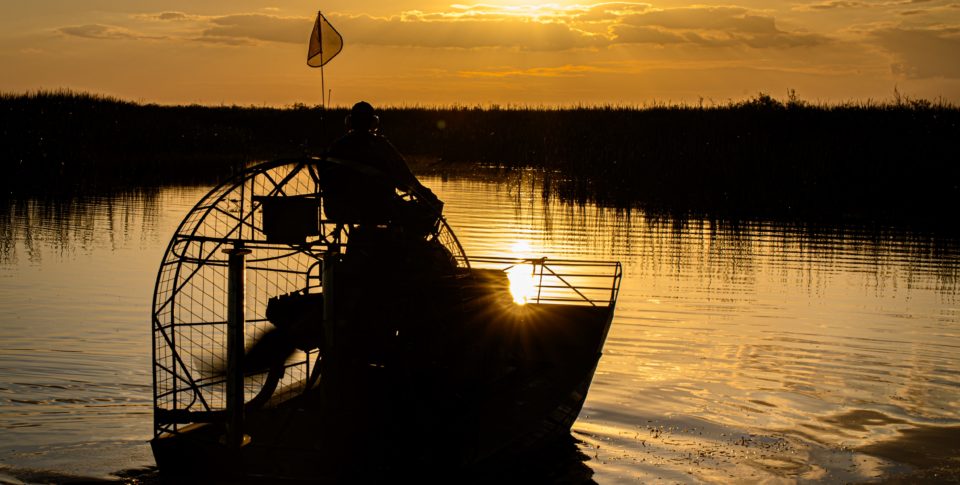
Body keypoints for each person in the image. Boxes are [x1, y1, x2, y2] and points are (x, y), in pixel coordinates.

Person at [323, 101, 442, 232]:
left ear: (350, 122)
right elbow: (404, 179)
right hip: (379, 208)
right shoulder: (380, 146)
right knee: (418, 212)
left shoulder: (337, 146)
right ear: (373, 122)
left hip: (338, 209)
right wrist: (426, 195)